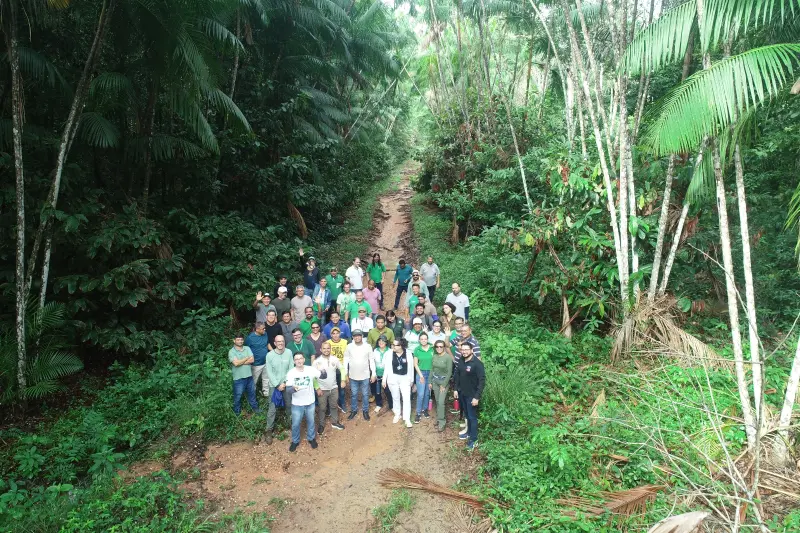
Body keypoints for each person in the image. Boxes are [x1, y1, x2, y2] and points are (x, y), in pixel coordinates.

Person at [285, 352, 321, 452]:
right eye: (296, 359)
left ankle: (311, 438)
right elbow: (288, 390)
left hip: (310, 402)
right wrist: (293, 389)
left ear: (304, 360)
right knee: (296, 423)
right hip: (297, 403)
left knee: (311, 421)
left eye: (300, 358)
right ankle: (295, 441)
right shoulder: (291, 373)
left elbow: (322, 375)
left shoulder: (310, 369)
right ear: (294, 361)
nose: (299, 361)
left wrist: (321, 369)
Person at [454, 342, 485, 450]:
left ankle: (474, 439)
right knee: (467, 415)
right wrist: (455, 389)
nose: (464, 351)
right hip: (462, 393)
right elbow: (457, 374)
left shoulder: (477, 364)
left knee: (472, 417)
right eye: (462, 349)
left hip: (472, 395)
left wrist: (477, 397)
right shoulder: (461, 360)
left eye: (467, 349)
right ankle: (468, 432)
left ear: (472, 350)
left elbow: (482, 381)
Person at [264, 335, 293, 445]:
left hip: (286, 384)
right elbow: (269, 372)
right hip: (274, 385)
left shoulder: (289, 352)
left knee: (289, 405)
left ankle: (290, 424)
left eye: (282, 341)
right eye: (278, 342)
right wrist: (277, 385)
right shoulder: (269, 355)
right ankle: (268, 430)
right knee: (272, 408)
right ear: (275, 343)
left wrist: (285, 383)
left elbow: (291, 369)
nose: (281, 343)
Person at [313, 341, 345, 432]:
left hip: (334, 388)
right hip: (322, 389)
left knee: (334, 406)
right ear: (320, 349)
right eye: (324, 348)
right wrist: (317, 388)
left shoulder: (335, 359)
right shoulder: (316, 362)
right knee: (322, 408)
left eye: (328, 348)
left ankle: (335, 422)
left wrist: (343, 380)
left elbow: (342, 369)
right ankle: (321, 424)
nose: (326, 350)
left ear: (330, 349)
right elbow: (313, 377)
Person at [344, 330, 375, 421]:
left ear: (362, 336)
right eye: (355, 336)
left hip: (365, 375)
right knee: (354, 394)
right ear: (353, 337)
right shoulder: (349, 346)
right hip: (353, 375)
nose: (357, 337)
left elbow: (371, 360)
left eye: (359, 336)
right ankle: (354, 410)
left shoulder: (367, 346)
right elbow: (346, 359)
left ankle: (365, 410)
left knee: (365, 394)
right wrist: (345, 373)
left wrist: (373, 374)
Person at [383, 338, 414, 428]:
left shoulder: (408, 353)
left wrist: (411, 380)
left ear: (401, 346)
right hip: (393, 379)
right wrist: (384, 379)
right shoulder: (389, 353)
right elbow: (387, 368)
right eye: (392, 344)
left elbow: (411, 367)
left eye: (395, 345)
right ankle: (397, 414)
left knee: (406, 398)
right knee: (395, 397)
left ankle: (407, 418)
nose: (393, 346)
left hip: (405, 379)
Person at [229, 333, 260, 415]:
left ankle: (255, 409)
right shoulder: (231, 352)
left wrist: (240, 361)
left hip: (249, 376)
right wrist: (246, 358)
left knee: (252, 394)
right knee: (238, 396)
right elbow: (236, 364)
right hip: (238, 378)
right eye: (238, 339)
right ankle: (237, 412)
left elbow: (252, 360)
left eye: (241, 339)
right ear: (234, 340)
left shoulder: (247, 348)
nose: (240, 341)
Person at [430, 340, 453, 432]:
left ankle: (442, 422)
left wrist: (443, 384)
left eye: (441, 346)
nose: (439, 348)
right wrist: (430, 382)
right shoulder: (434, 356)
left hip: (444, 382)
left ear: (444, 347)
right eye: (437, 346)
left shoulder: (448, 357)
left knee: (441, 402)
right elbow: (432, 369)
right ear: (435, 347)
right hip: (435, 381)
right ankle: (439, 419)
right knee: (437, 400)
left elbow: (449, 372)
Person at [413, 332, 434, 423]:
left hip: (430, 373)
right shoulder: (417, 349)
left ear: (427, 339)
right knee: (421, 394)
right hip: (420, 373)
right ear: (419, 340)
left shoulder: (433, 348)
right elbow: (415, 364)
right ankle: (418, 413)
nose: (423, 340)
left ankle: (424, 409)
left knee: (427, 393)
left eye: (425, 339)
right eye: (422, 339)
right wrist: (421, 375)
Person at [245, 322, 270, 396]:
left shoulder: (265, 334)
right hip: (256, 364)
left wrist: (273, 352)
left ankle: (266, 393)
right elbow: (246, 349)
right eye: (263, 329)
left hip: (266, 361)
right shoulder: (250, 338)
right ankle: (251, 396)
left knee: (266, 379)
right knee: (253, 381)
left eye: (265, 328)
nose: (264, 330)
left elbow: (267, 344)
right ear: (257, 329)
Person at [328, 327, 349, 412]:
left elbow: (347, 357)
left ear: (340, 333)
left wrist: (347, 372)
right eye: (333, 333)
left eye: (337, 333)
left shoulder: (345, 342)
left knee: (342, 388)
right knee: (330, 389)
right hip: (331, 369)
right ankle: (330, 407)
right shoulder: (328, 343)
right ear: (331, 335)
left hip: (342, 368)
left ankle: (342, 403)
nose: (335, 335)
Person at [370, 335, 392, 414]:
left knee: (388, 391)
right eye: (379, 341)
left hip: (387, 375)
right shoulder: (375, 350)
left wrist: (385, 378)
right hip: (377, 374)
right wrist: (373, 373)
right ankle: (379, 404)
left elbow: (389, 365)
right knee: (377, 391)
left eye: (383, 341)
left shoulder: (390, 351)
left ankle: (391, 405)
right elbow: (372, 362)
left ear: (386, 342)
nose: (381, 343)